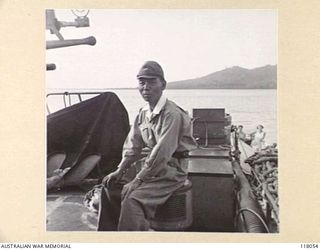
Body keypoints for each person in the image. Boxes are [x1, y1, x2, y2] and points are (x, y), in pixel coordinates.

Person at [97, 61, 198, 231]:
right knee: (109, 187)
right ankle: (109, 236)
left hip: (171, 170)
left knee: (133, 198)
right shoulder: (143, 113)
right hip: (152, 168)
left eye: (152, 82)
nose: (146, 87)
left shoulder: (171, 114)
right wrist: (119, 170)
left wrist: (137, 180)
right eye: (142, 82)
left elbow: (161, 154)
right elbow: (133, 146)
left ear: (163, 85)